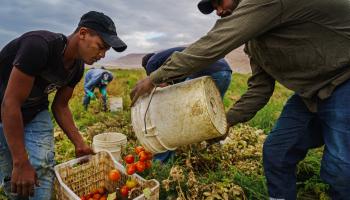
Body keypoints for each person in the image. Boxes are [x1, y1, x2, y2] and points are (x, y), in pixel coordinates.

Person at [130, 0, 350, 199]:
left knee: (340, 168)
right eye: (214, 8)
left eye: (219, 2)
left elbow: (216, 42)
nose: (219, 11)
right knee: (277, 152)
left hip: (344, 78)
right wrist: (226, 122)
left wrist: (155, 78)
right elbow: (260, 90)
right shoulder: (256, 45)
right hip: (310, 94)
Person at [0, 11, 127, 199]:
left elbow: (60, 106)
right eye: (101, 47)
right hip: (4, 110)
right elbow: (10, 103)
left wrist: (79, 143)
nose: (102, 55)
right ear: (82, 33)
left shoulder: (77, 68)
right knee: (13, 175)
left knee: (43, 164)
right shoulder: (39, 46)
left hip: (36, 110)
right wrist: (20, 162)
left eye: (105, 51)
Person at [142, 46, 232, 162]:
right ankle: (213, 149)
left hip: (205, 71)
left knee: (177, 116)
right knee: (213, 113)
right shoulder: (166, 57)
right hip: (225, 71)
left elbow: (160, 86)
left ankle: (161, 161)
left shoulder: (151, 64)